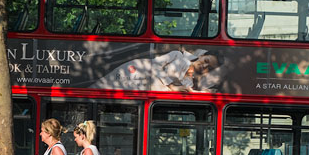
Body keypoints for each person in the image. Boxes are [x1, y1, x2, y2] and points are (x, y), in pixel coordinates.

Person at [92, 49, 224, 93]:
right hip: (136, 72)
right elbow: (155, 65)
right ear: (202, 55)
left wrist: (205, 92)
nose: (204, 66)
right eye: (206, 60)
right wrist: (172, 86)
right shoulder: (178, 56)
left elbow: (189, 93)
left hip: (142, 88)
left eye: (209, 68)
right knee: (98, 89)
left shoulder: (188, 82)